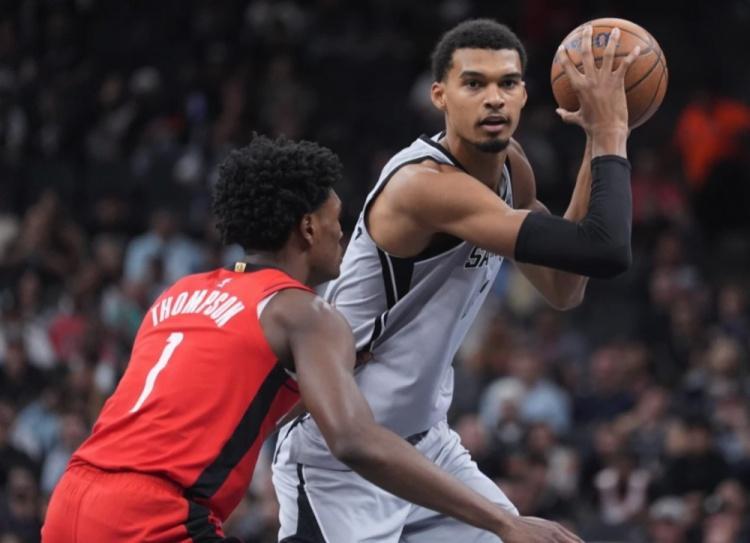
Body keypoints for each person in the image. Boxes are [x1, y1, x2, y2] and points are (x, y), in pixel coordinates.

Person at [40, 134, 581, 542]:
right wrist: (502, 521)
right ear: (307, 228)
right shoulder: (304, 313)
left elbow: (211, 400)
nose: (343, 232)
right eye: (336, 219)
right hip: (155, 515)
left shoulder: (179, 293)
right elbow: (355, 441)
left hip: (73, 495)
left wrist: (327, 372)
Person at [273, 18, 639, 543]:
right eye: (474, 83)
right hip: (344, 457)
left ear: (524, 95)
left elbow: (565, 287)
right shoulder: (423, 186)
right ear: (439, 96)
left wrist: (592, 138)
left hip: (427, 446)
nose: (494, 98)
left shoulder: (513, 169)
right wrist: (611, 133)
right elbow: (606, 249)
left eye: (507, 83)